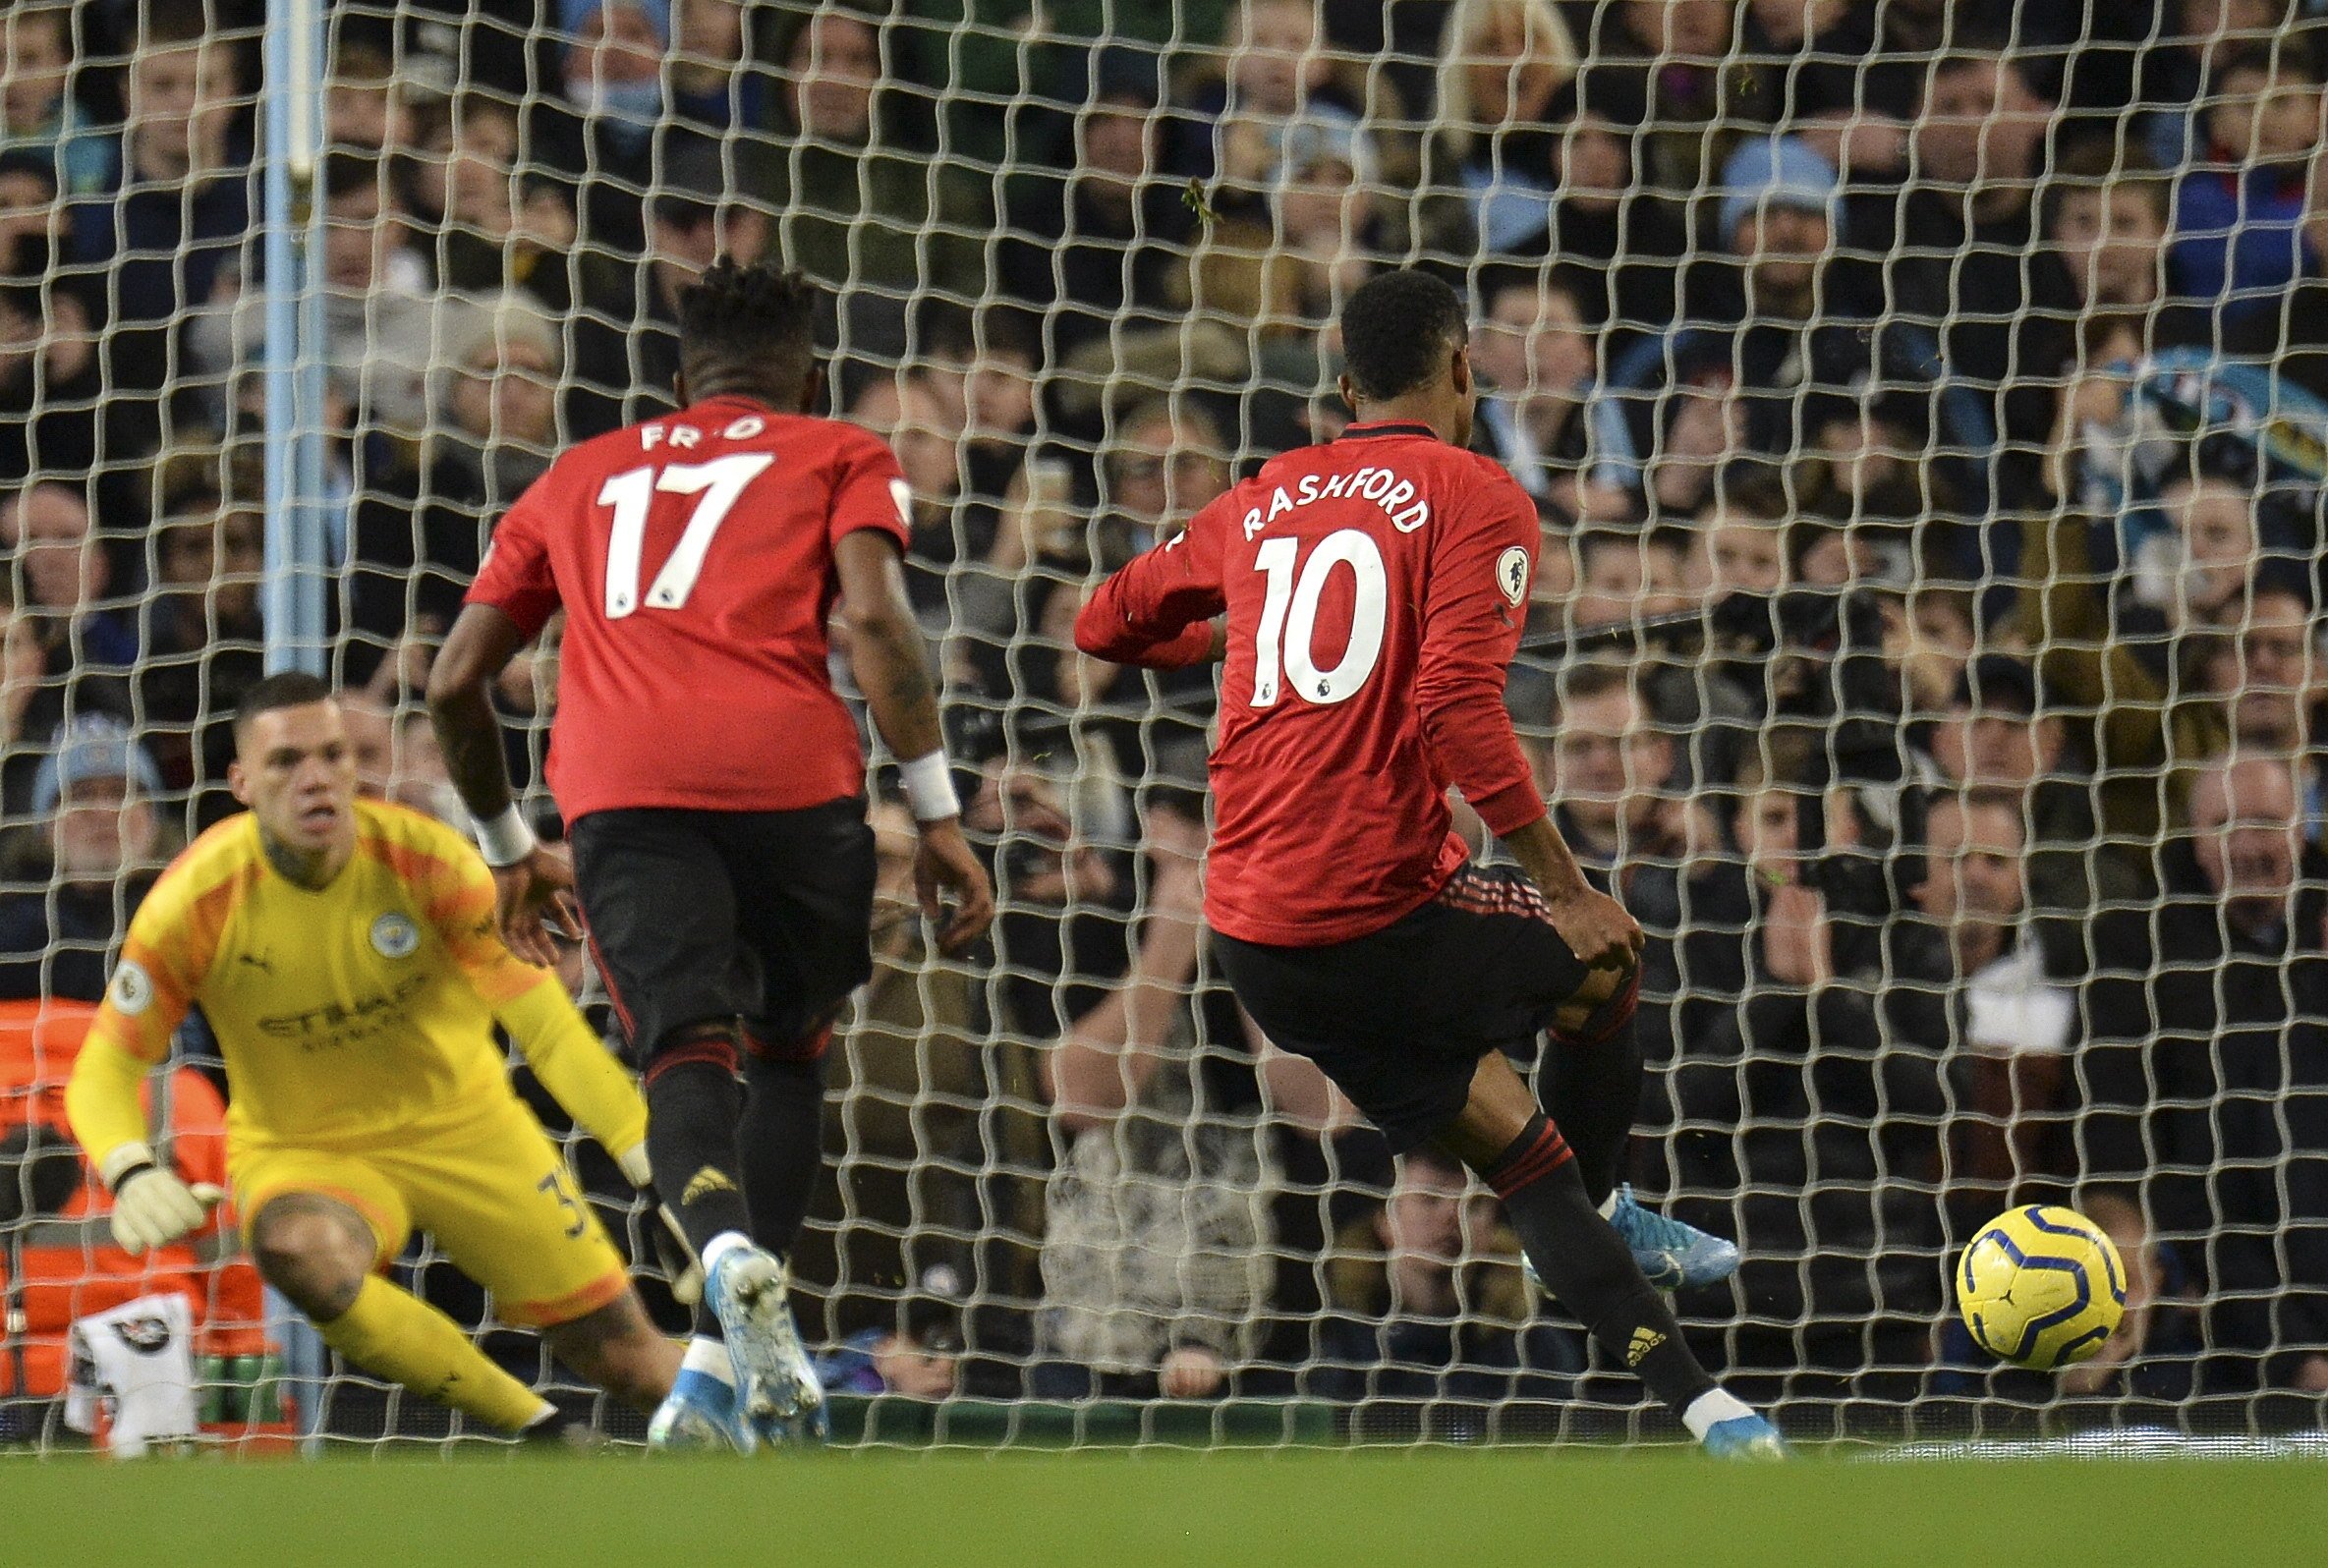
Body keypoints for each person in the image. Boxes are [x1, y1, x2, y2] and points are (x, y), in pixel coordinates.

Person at [1072, 268, 1781, 1457]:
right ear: (1462, 372)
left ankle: (1709, 1414)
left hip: (1256, 944)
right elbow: (1457, 704)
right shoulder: (1475, 494)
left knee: (1518, 1154)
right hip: (1373, 910)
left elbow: (1103, 624)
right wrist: (1567, 887)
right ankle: (1616, 1207)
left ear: (1343, 389)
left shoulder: (1262, 498)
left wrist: (1229, 634)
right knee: (1603, 970)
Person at [427, 259, 994, 1450]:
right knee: (787, 1054)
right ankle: (714, 1365)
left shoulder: (575, 475)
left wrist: (506, 845)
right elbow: (878, 621)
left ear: (677, 381)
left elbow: (452, 681)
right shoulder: (837, 449)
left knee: (682, 1054)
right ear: (815, 378)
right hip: (789, 782)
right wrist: (936, 815)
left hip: (623, 794)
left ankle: (720, 1272)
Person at [60, 674, 682, 1441]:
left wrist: (655, 1165)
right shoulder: (196, 901)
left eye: (335, 755)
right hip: (307, 1150)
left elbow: (549, 1031)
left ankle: (777, 1431)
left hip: (468, 1128)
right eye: (287, 761)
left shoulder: (426, 861)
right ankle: (542, 1431)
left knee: (633, 1364)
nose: (316, 778)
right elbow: (103, 1069)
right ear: (242, 782)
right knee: (295, 1246)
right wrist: (130, 1166)